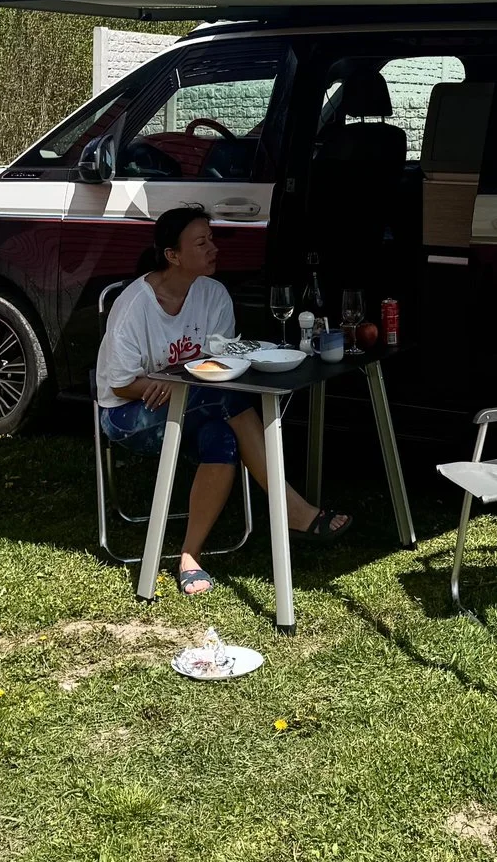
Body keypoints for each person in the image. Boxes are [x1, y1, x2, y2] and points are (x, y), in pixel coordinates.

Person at [97, 205, 350, 595]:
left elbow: (221, 361)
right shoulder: (135, 305)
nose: (213, 248)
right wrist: (171, 382)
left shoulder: (213, 294)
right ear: (172, 255)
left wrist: (180, 383)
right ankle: (292, 510)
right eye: (202, 242)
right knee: (225, 402)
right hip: (131, 415)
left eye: (211, 239)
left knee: (224, 436)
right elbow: (119, 385)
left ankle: (189, 556)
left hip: (194, 402)